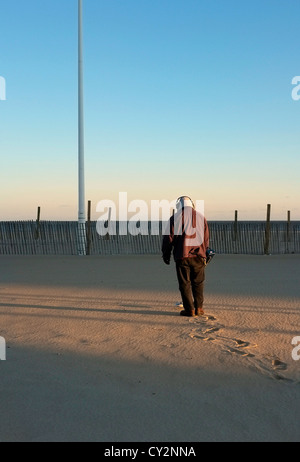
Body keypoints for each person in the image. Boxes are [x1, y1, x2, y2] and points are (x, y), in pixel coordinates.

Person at [162, 196, 210, 317]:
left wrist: (166, 254)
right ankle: (199, 307)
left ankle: (189, 310)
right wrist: (206, 252)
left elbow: (168, 239)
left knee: (185, 284)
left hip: (182, 255)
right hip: (199, 255)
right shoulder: (201, 217)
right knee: (198, 283)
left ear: (179, 205)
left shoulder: (175, 218)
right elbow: (206, 238)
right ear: (192, 204)